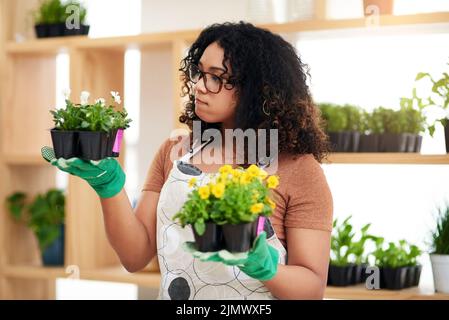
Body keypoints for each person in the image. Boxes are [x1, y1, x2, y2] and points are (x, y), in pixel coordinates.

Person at [42, 21, 333, 300]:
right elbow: (134, 256)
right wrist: (109, 187)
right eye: (198, 72)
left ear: (257, 90)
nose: (199, 86)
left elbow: (311, 290)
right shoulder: (175, 151)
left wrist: (266, 269)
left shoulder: (300, 169)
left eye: (216, 77)